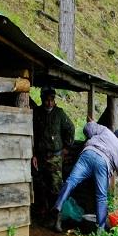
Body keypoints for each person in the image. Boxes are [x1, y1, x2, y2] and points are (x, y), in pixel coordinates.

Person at [52, 122, 118, 232]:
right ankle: (100, 229)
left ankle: (58, 205)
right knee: (101, 197)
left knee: (71, 181)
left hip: (88, 153)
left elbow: (88, 127)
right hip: (102, 162)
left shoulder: (105, 131)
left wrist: (92, 134)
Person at [32, 87, 75, 224]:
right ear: (42, 100)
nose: (49, 103)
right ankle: (43, 214)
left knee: (56, 187)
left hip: (55, 157)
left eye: (52, 100)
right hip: (40, 156)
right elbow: (33, 134)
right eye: (47, 100)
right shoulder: (37, 113)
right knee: (40, 185)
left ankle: (57, 219)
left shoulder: (59, 113)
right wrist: (33, 154)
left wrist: (67, 147)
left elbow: (70, 128)